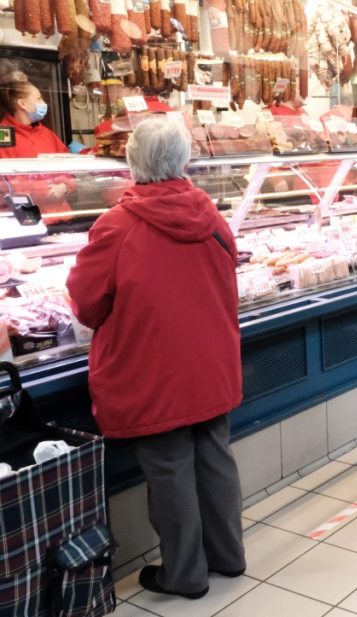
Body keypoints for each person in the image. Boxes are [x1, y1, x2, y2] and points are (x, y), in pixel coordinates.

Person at [66, 118, 246, 599]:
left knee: (169, 468)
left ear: (132, 161)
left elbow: (85, 304)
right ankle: (228, 556)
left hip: (153, 371)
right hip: (211, 362)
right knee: (215, 457)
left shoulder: (116, 226)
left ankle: (184, 575)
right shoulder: (211, 215)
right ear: (184, 160)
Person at [0, 74, 75, 220]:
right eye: (39, 98)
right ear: (22, 103)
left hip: (62, 217)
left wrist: (66, 186)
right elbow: (7, 184)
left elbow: (70, 170)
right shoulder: (3, 135)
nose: (44, 103)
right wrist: (44, 190)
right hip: (27, 220)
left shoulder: (48, 134)